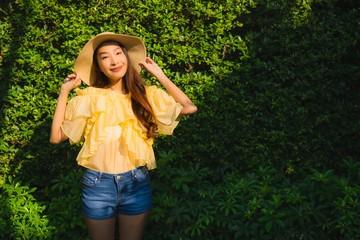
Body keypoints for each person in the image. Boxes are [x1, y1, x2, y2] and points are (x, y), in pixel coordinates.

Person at [50, 32, 197, 240]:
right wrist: (64, 92)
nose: (114, 61)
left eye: (118, 53)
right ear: (99, 66)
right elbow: (56, 137)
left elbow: (189, 107)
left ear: (127, 57)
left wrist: (160, 75)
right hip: (98, 185)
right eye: (105, 57)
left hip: (136, 183)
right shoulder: (90, 98)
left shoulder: (145, 96)